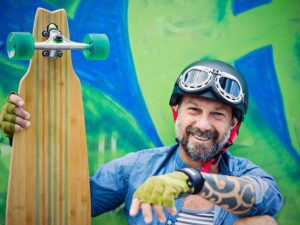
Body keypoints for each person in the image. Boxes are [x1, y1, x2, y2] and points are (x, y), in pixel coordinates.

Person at [0, 59, 283, 225]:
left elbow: (267, 196)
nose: (203, 124)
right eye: (194, 110)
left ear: (233, 125)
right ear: (177, 114)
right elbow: (61, 203)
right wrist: (27, 140)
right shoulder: (137, 167)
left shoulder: (244, 174)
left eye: (218, 115)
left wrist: (192, 180)